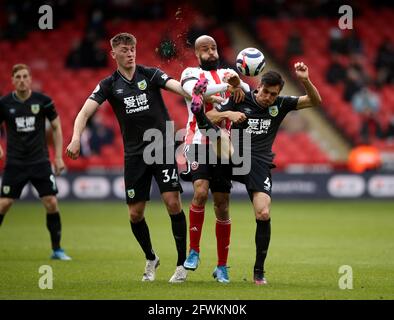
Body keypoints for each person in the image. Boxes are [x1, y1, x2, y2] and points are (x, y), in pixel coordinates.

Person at [66, 32, 189, 283]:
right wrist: (76, 137)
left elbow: (176, 85)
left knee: (173, 203)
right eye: (124, 50)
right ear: (114, 54)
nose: (130, 53)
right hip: (134, 154)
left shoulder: (150, 74)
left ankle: (181, 264)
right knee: (135, 214)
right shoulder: (109, 84)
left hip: (162, 146)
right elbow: (84, 112)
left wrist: (192, 92)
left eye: (132, 48)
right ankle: (151, 257)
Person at [191, 62, 322, 285]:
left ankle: (258, 272)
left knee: (263, 213)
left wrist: (305, 80)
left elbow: (315, 101)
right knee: (218, 203)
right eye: (266, 92)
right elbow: (211, 114)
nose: (269, 97)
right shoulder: (241, 97)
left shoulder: (280, 104)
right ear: (258, 86)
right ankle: (208, 259)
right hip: (230, 156)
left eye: (274, 94)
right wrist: (230, 113)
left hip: (258, 161)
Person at [180, 35, 249, 283]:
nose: (211, 52)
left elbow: (248, 90)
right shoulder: (189, 73)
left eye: (214, 48)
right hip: (197, 141)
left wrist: (238, 83)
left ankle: (222, 266)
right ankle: (194, 251)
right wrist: (229, 88)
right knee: (200, 191)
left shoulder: (229, 72)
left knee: (222, 205)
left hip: (222, 147)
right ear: (197, 54)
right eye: (205, 49)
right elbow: (196, 92)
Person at [0, 64, 71, 261]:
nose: (22, 80)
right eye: (18, 77)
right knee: (4, 203)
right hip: (15, 162)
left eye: (25, 76)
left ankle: (57, 250)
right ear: (12, 80)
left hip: (39, 161)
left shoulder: (43, 101)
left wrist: (57, 157)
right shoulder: (4, 103)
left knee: (51, 202)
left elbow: (56, 127)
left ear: (30, 79)